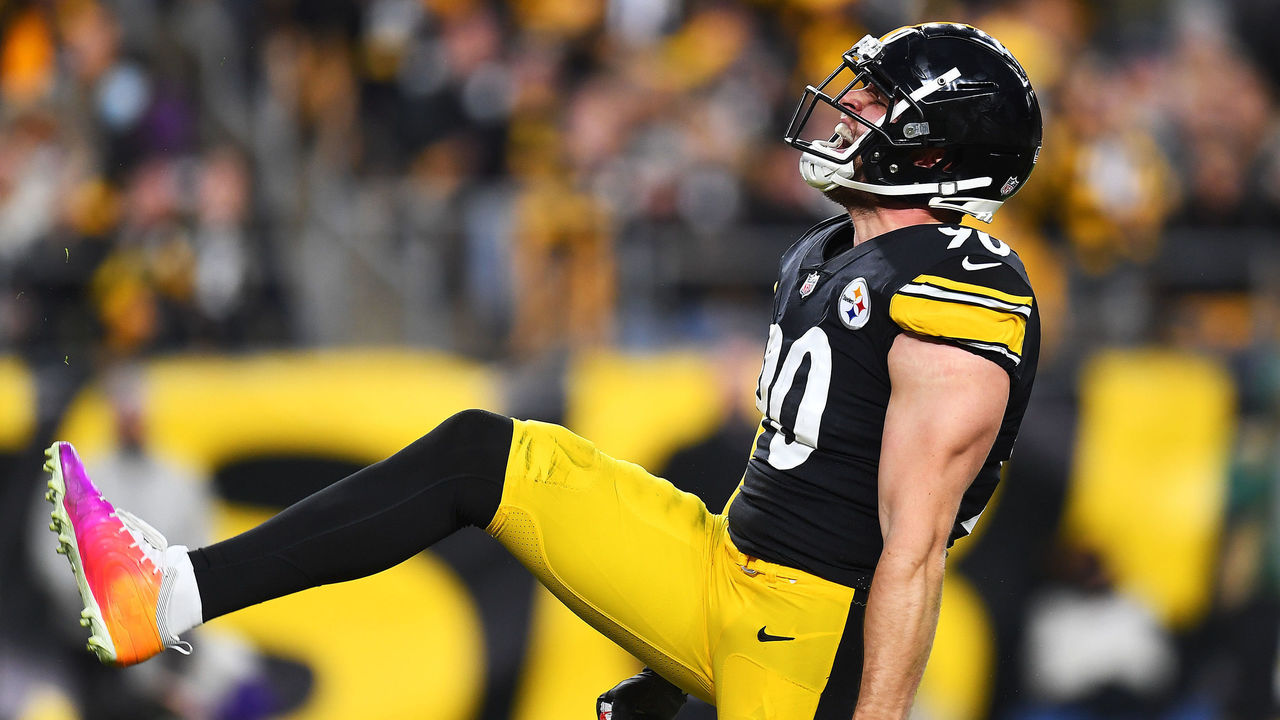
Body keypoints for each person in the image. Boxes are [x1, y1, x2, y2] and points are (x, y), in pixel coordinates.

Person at [42, 23, 1042, 719]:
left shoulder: (959, 287)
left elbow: (907, 556)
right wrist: (674, 663)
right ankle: (164, 592)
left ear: (932, 148)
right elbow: (794, 481)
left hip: (813, 639)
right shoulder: (827, 252)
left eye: (871, 104)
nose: (844, 112)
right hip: (725, 571)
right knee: (491, 457)